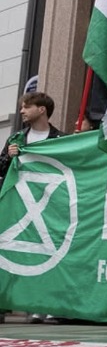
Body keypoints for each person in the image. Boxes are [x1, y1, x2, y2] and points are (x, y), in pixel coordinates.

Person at [0, 89, 64, 324]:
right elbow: (1, 169)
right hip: (17, 206)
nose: (21, 111)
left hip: (48, 208)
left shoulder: (60, 140)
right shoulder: (16, 139)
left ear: (41, 109)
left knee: (45, 255)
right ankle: (5, 303)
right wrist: (8, 157)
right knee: (9, 253)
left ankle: (43, 306)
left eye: (27, 106)